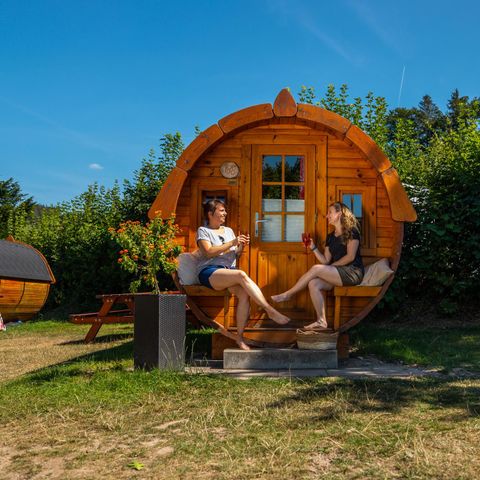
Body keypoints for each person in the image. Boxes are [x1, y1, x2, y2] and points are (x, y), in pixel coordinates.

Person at [196, 199, 290, 350]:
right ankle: (269, 310)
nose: (225, 213)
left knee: (244, 294)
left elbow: (235, 254)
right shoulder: (203, 231)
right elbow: (208, 252)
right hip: (209, 271)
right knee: (241, 274)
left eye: (225, 210)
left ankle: (239, 339)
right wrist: (232, 243)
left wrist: (240, 247)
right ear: (210, 214)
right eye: (221, 210)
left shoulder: (228, 231)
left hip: (228, 271)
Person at [271, 202, 364, 331]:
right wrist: (313, 247)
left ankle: (288, 294)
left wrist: (331, 267)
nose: (327, 215)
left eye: (330, 212)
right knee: (313, 283)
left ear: (339, 213)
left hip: (352, 272)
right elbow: (325, 261)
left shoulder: (352, 231)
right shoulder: (330, 237)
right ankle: (321, 321)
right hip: (337, 273)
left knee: (316, 269)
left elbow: (350, 257)